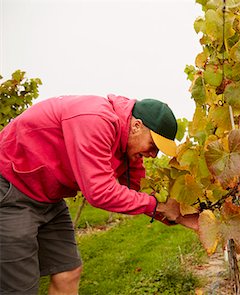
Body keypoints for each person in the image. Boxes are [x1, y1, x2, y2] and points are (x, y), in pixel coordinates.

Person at [0, 94, 198, 294]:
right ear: (137, 125)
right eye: (153, 146)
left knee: (68, 271)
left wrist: (180, 216)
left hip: (48, 197)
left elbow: (137, 189)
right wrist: (158, 206)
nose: (153, 155)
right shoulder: (95, 120)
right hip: (12, 188)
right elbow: (100, 192)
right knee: (20, 287)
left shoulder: (128, 146)